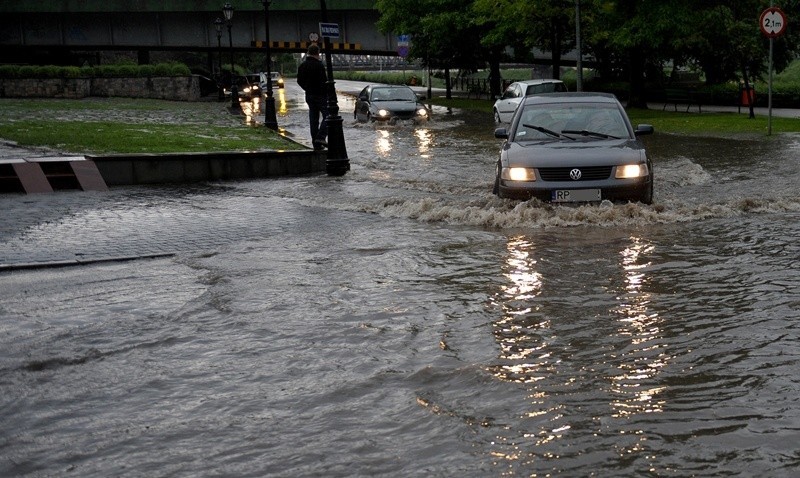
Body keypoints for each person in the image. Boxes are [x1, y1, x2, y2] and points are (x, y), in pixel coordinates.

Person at [296, 43, 328, 150]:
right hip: (320, 95)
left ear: (308, 52)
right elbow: (325, 81)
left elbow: (299, 81)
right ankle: (321, 137)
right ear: (318, 53)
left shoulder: (302, 66)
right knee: (328, 116)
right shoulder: (319, 65)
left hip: (309, 96)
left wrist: (307, 88)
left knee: (313, 120)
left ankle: (316, 144)